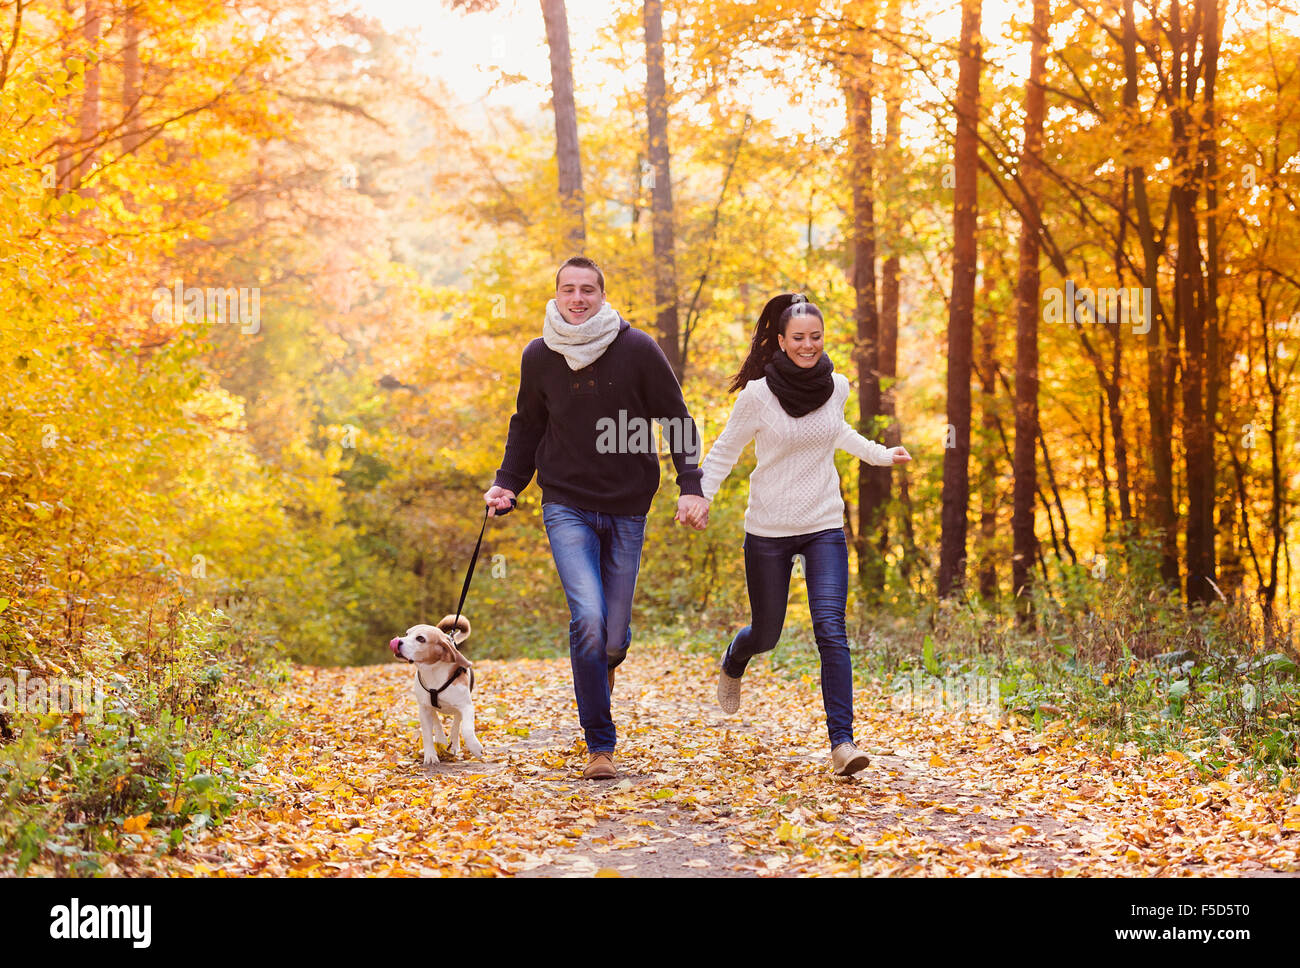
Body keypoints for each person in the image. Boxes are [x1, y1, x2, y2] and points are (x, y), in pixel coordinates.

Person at [484, 256, 709, 780]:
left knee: (612, 636)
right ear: (556, 295)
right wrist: (508, 483)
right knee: (586, 618)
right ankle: (599, 746)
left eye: (588, 290)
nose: (578, 298)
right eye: (569, 290)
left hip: (629, 505)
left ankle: (603, 665)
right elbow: (527, 424)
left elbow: (676, 418)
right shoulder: (539, 356)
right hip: (566, 502)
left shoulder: (637, 349)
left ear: (603, 297)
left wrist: (691, 485)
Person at [697, 293, 911, 776]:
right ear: (780, 341)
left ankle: (843, 743)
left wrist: (881, 454)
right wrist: (700, 496)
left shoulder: (837, 387)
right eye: (799, 338)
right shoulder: (757, 395)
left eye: (815, 337)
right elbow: (725, 451)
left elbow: (838, 433)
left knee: (831, 630)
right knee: (767, 632)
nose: (808, 345)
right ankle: (736, 656)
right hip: (768, 529)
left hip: (823, 526)